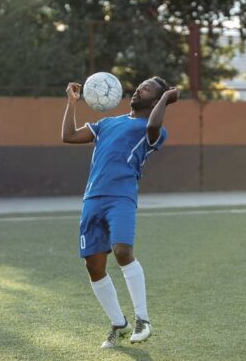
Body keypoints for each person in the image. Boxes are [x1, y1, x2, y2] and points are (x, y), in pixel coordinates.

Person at [61, 76, 179, 348]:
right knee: (93, 264)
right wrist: (71, 103)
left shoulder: (153, 130)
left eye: (148, 88)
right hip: (92, 198)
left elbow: (153, 125)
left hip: (121, 197)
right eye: (141, 85)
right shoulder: (106, 123)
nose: (139, 89)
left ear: (157, 100)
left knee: (123, 251)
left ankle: (143, 319)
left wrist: (165, 100)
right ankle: (118, 323)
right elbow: (68, 136)